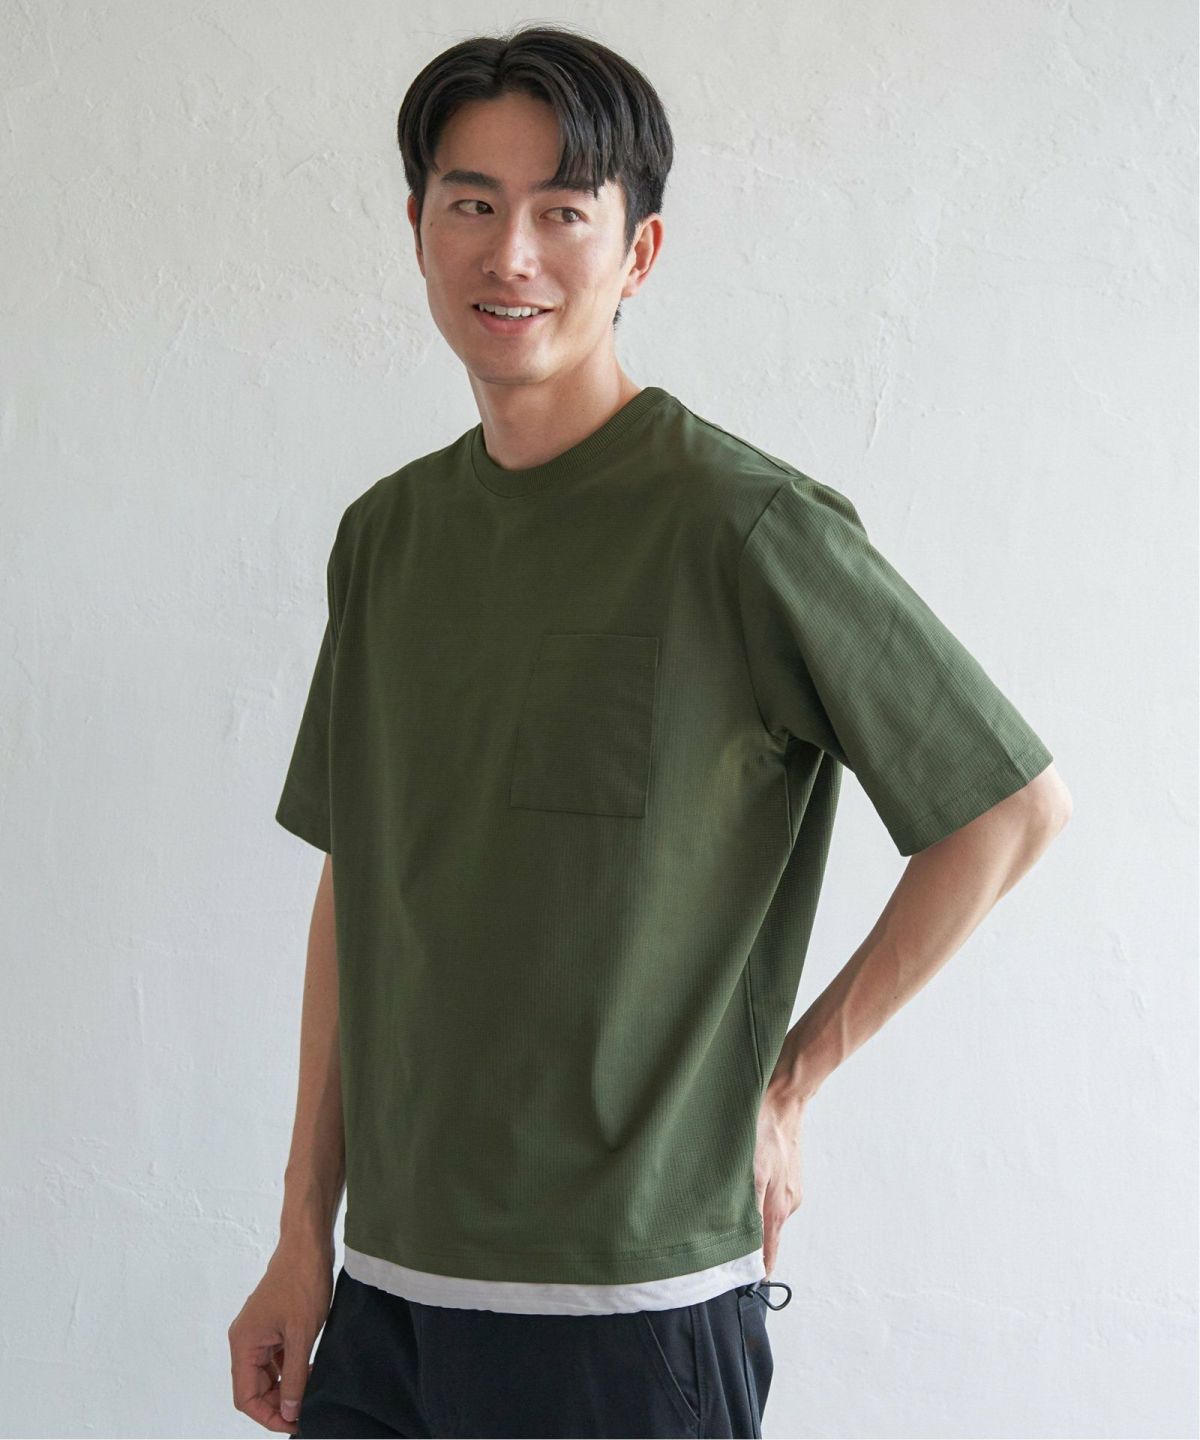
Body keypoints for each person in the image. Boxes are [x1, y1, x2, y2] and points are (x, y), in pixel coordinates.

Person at [228, 22, 1072, 1440]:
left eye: (563, 211)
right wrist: (302, 1235)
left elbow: (1008, 811)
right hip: (384, 1305)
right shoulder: (387, 536)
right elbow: (355, 886)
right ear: (420, 229)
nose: (511, 254)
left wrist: (791, 1080)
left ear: (639, 254)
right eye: (472, 203)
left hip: (628, 1315)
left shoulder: (740, 527)